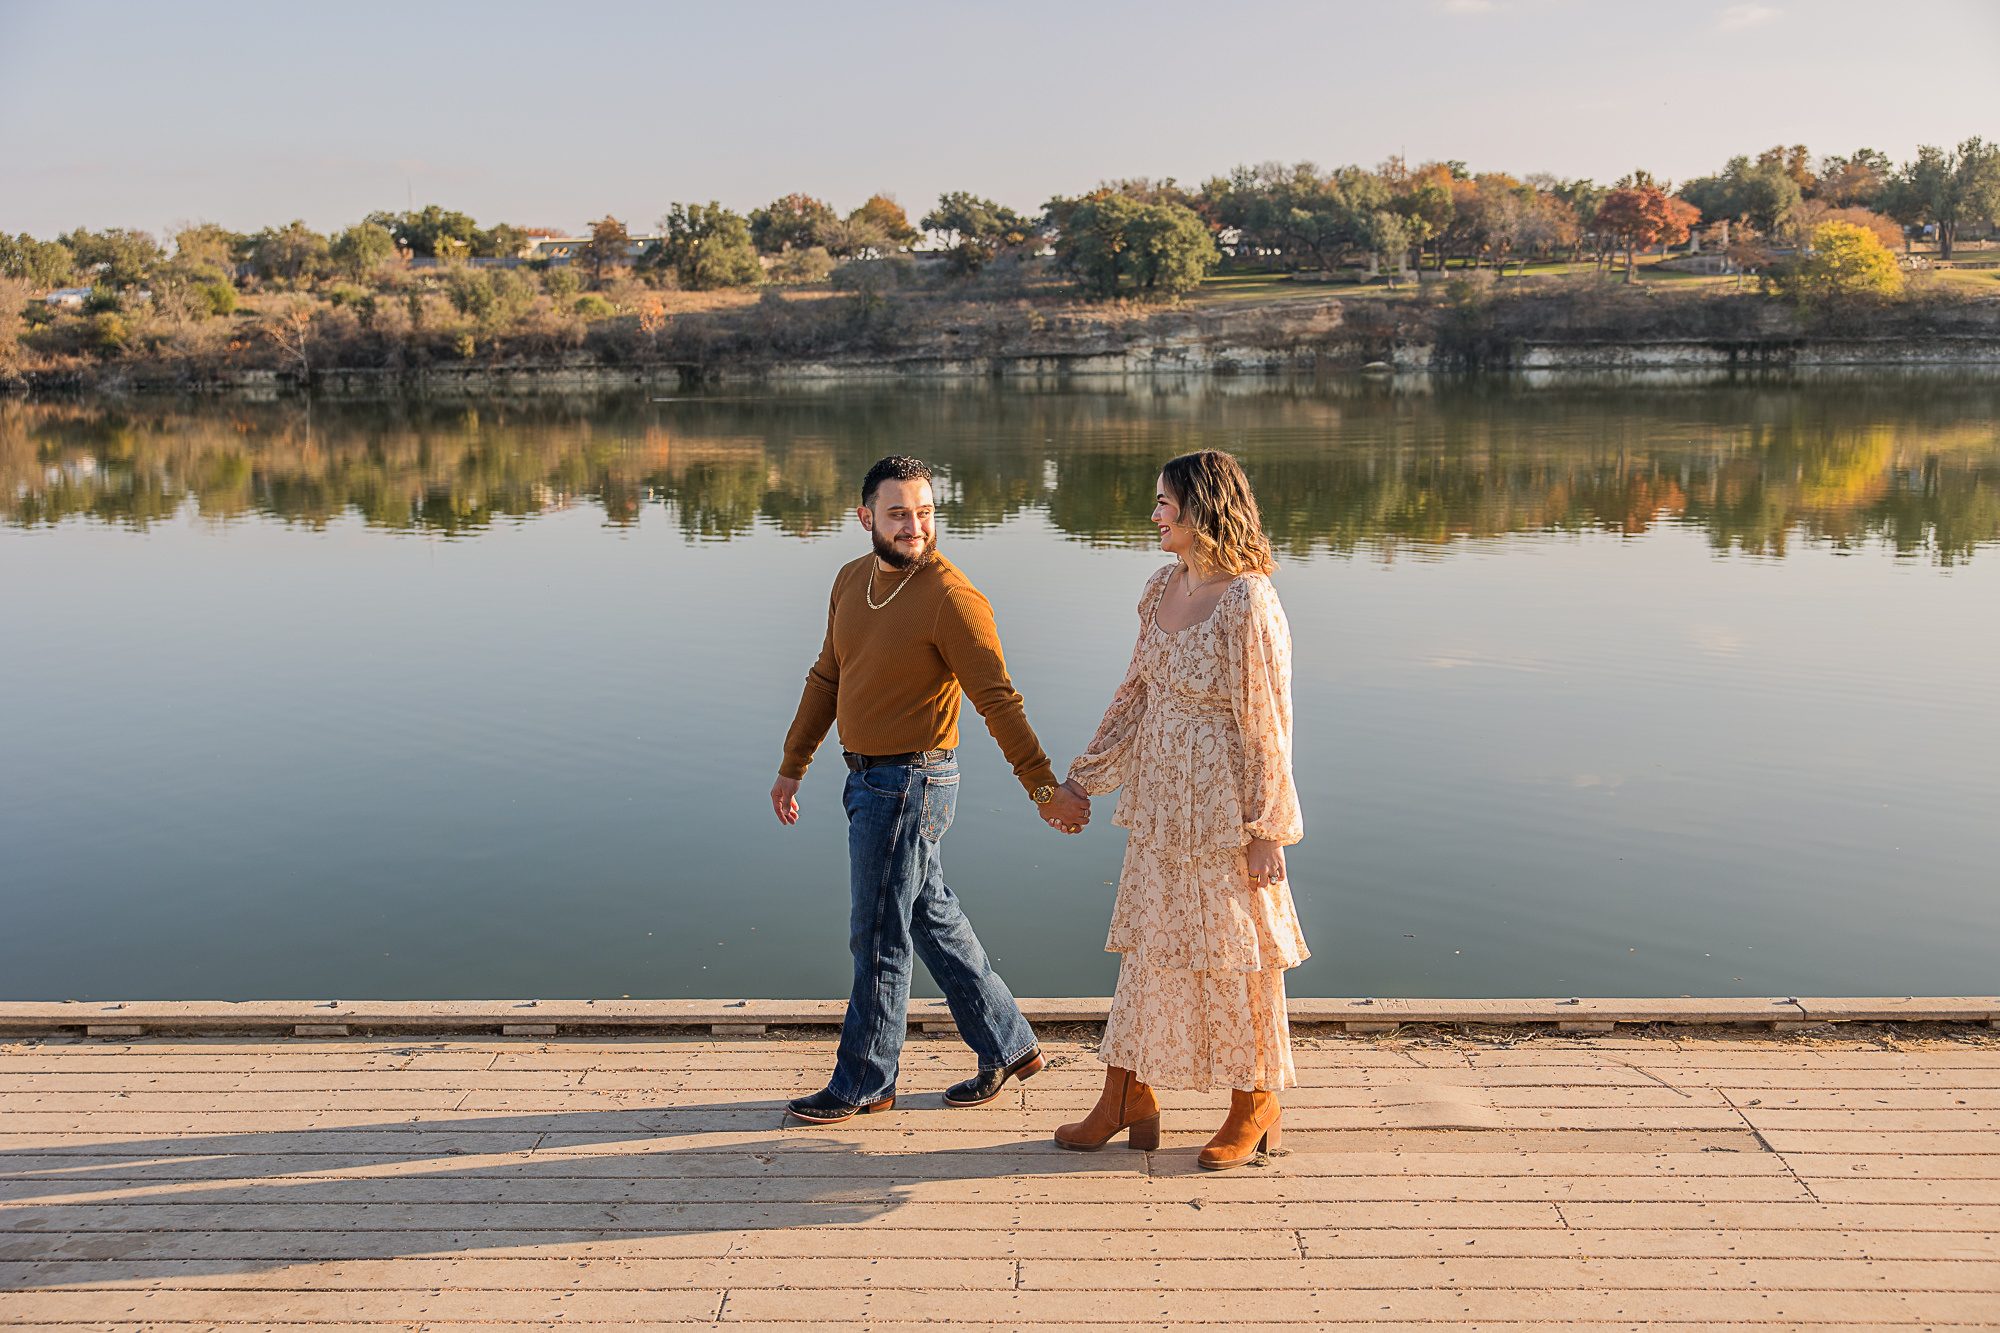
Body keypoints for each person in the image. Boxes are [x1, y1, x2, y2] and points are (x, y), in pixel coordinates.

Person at [771, 455, 1093, 1124]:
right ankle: (1008, 1044)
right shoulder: (851, 580)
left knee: (878, 933)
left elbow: (997, 699)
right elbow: (828, 675)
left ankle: (866, 1080)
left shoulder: (951, 597)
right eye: (897, 514)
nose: (914, 526)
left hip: (910, 781)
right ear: (865, 518)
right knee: (929, 916)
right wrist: (793, 761)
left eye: (924, 512)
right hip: (865, 776)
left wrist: (1043, 790)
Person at [1053, 450, 1308, 1170]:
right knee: (1150, 943)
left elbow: (1269, 721)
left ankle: (1255, 1102)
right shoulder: (1159, 586)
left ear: (1204, 509)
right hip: (1162, 802)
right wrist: (1082, 780)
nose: (1155, 515)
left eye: (1166, 503)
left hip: (1225, 807)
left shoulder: (1249, 600)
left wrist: (1268, 829)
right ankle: (1126, 1095)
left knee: (1237, 952)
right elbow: (1136, 692)